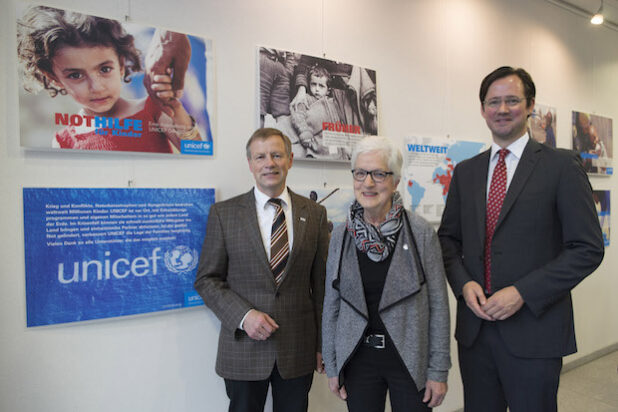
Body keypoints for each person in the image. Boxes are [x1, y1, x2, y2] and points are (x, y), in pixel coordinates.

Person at [438, 66, 604, 412]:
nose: (501, 109)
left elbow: (587, 249)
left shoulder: (561, 167)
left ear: (530, 106)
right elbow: (448, 240)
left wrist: (522, 293)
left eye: (512, 100)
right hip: (475, 333)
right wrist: (463, 284)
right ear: (482, 109)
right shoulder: (466, 171)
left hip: (536, 332)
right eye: (493, 102)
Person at [194, 128, 329, 412]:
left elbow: (322, 287)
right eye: (261, 156)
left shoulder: (314, 214)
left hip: (298, 349)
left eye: (277, 155)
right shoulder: (224, 214)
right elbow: (207, 280)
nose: (269, 163)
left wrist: (322, 344)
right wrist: (244, 316)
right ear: (251, 164)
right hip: (243, 348)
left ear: (290, 160)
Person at [322, 135, 451, 412]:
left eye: (379, 174)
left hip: (408, 357)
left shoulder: (420, 233)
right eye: (360, 173)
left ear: (395, 180)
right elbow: (331, 304)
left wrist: (438, 370)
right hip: (358, 360)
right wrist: (333, 365)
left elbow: (439, 305)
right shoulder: (342, 236)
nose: (368, 183)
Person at [17, 5, 199, 153]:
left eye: (105, 69)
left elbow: (198, 154)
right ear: (54, 79)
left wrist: (178, 111)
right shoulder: (63, 141)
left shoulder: (153, 110)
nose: (96, 87)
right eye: (75, 75)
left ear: (120, 65)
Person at [290, 65, 343, 158]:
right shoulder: (306, 98)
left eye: (321, 86)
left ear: (328, 90)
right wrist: (304, 131)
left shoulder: (332, 102)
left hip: (333, 142)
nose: (317, 89)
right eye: (313, 84)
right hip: (315, 143)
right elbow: (298, 114)